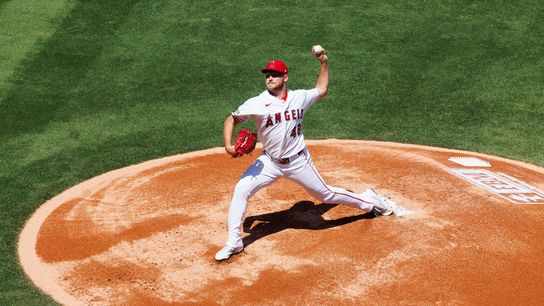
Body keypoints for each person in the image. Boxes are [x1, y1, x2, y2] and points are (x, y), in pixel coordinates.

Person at [216, 46, 406, 261]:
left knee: (325, 195)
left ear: (285, 77)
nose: (270, 78)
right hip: (269, 162)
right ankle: (234, 241)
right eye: (267, 75)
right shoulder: (257, 102)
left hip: (298, 161)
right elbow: (231, 119)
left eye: (275, 74)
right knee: (241, 189)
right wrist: (228, 145)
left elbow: (321, 89)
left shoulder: (299, 97)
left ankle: (370, 201)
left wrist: (324, 62)